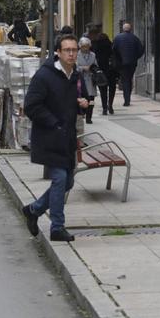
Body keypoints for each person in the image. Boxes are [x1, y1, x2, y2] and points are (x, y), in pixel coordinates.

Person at [21, 34, 90, 243]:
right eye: (67, 50)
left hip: (67, 137)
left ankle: (33, 210)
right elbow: (31, 106)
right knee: (60, 179)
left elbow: (76, 101)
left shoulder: (75, 76)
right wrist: (53, 123)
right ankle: (57, 227)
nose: (71, 54)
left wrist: (82, 105)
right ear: (58, 53)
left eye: (74, 50)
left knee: (68, 181)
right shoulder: (45, 75)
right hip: (49, 137)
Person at [112, 22, 145, 106]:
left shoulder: (117, 38)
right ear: (130, 29)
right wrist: (135, 57)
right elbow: (141, 50)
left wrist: (118, 60)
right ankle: (128, 98)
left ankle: (127, 100)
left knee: (125, 80)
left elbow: (113, 50)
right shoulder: (135, 38)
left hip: (122, 63)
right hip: (132, 63)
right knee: (129, 79)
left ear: (123, 29)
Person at [91, 29, 116, 115]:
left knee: (103, 90)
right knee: (112, 89)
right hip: (111, 71)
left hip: (100, 72)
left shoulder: (95, 47)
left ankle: (104, 108)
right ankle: (110, 106)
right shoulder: (111, 45)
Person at [77, 36, 98, 124]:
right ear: (80, 46)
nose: (85, 48)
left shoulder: (93, 55)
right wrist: (83, 68)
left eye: (87, 46)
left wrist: (93, 68)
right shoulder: (76, 54)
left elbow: (96, 65)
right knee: (82, 98)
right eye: (83, 46)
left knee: (91, 100)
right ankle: (82, 114)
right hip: (80, 79)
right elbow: (74, 66)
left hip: (90, 79)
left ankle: (89, 117)